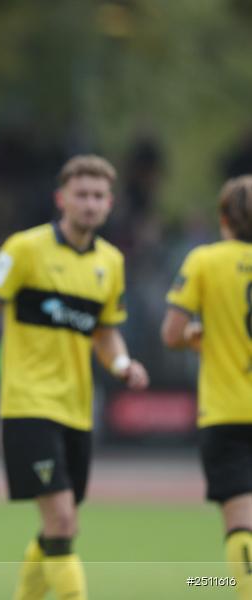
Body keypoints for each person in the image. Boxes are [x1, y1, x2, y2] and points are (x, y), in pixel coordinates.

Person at [0, 155, 149, 600]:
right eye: (81, 195)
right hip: (28, 404)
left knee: (61, 526)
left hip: (77, 409)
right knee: (62, 521)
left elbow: (106, 331)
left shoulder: (111, 262)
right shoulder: (24, 249)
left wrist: (122, 364)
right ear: (62, 199)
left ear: (110, 203)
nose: (90, 204)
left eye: (99, 196)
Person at [162, 176, 252, 599]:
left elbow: (171, 333)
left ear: (223, 219)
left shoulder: (205, 261)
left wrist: (200, 333)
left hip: (227, 410)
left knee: (241, 522)